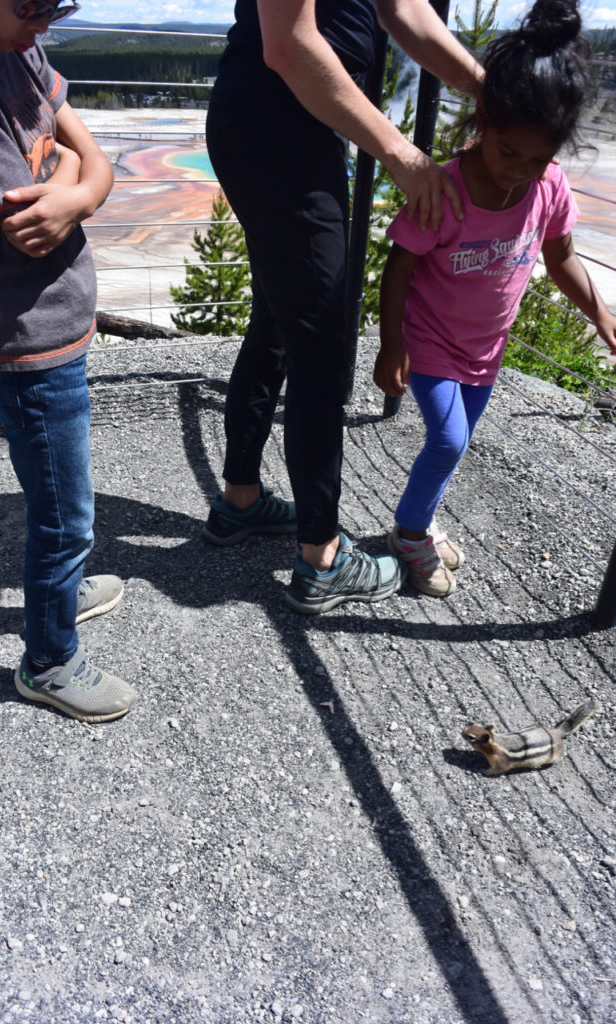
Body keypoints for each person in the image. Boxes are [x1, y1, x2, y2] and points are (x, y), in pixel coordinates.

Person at [203, 0, 484, 614]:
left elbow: (401, 7)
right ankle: (323, 558)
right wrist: (401, 153)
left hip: (279, 123)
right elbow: (290, 42)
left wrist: (486, 90)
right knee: (323, 345)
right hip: (285, 127)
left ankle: (241, 502)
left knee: (279, 323)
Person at [0, 0, 136, 720]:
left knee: (54, 489)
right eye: (34, 4)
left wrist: (75, 187)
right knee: (64, 514)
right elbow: (25, 229)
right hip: (23, 342)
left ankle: (62, 586)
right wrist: (75, 177)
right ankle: (48, 659)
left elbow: (94, 164)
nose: (46, 20)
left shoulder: (13, 39)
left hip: (52, 323)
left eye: (62, 4)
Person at [374, 0, 616, 597]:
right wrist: (391, 344)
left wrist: (603, 316)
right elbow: (398, 264)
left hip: (487, 350)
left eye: (538, 159)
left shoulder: (548, 188)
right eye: (509, 152)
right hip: (431, 341)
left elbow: (561, 259)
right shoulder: (445, 192)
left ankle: (423, 518)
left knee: (454, 446)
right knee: (449, 440)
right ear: (483, 123)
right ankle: (408, 534)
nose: (519, 171)